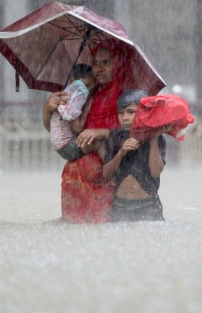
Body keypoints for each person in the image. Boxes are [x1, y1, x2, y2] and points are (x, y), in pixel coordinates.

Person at [42, 39, 137, 223]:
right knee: (75, 235)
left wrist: (103, 132)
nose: (100, 68)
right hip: (76, 175)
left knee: (104, 232)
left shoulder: (125, 95)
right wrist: (47, 109)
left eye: (107, 63)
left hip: (110, 173)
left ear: (118, 66)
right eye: (96, 63)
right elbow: (57, 131)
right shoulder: (83, 93)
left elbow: (135, 131)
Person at [102, 89, 172, 221]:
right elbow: (106, 174)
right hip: (120, 205)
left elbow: (156, 172)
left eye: (131, 112)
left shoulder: (156, 136)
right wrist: (121, 153)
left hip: (148, 205)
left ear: (143, 113)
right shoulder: (115, 136)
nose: (125, 118)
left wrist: (154, 139)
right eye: (121, 113)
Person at [50, 64, 105, 161]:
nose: (88, 91)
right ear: (72, 81)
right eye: (87, 86)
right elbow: (77, 128)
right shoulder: (74, 99)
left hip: (61, 146)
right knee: (100, 144)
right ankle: (109, 168)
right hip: (68, 146)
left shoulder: (66, 94)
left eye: (92, 89)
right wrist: (88, 107)